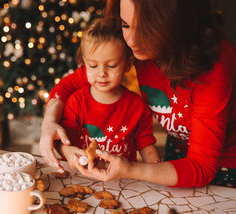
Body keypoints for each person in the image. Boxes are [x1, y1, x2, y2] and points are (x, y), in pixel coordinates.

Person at [40, 0, 236, 188]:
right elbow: (73, 82)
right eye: (126, 25)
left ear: (176, 25)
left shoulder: (215, 64)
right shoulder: (136, 42)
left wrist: (131, 169)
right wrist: (49, 121)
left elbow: (201, 166)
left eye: (145, 30)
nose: (132, 41)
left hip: (231, 157)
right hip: (182, 142)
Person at [56, 18, 160, 169]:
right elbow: (62, 141)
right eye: (93, 65)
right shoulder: (76, 102)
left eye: (111, 66)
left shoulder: (137, 106)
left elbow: (147, 147)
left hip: (123, 182)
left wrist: (156, 173)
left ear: (128, 64)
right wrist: (66, 152)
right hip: (83, 176)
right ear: (84, 63)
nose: (101, 73)